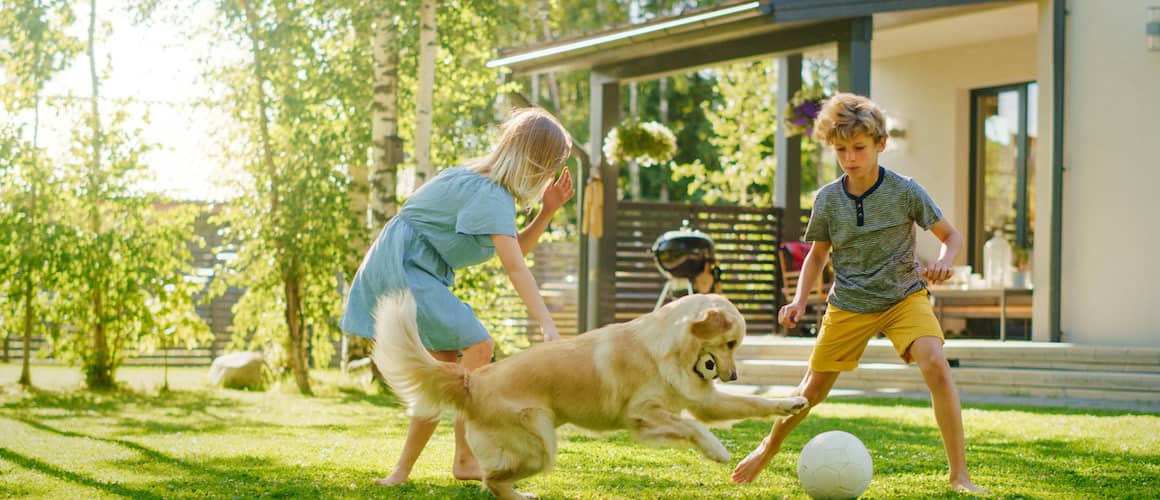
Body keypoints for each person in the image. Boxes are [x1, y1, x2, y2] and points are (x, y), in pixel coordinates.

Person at [731, 93, 987, 494]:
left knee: (936, 363)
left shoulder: (905, 191)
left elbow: (950, 236)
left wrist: (944, 260)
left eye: (859, 148)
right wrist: (799, 299)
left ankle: (960, 475)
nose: (850, 157)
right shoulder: (828, 199)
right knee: (809, 392)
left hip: (904, 296)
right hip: (849, 303)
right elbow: (817, 257)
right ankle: (767, 448)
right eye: (841, 150)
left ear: (881, 144)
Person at [340, 106, 573, 486]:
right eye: (550, 166)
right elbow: (515, 268)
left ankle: (400, 473)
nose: (549, 176)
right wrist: (546, 323)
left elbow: (513, 254)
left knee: (445, 373)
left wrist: (546, 213)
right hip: (405, 267)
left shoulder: (486, 186)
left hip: (409, 267)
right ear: (535, 161)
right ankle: (465, 459)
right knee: (478, 343)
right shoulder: (491, 194)